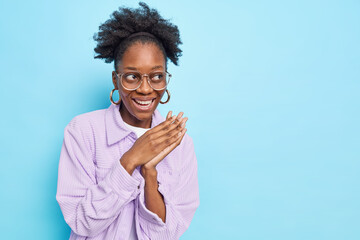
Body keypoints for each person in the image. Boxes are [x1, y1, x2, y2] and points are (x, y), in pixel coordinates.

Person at [55, 2, 200, 240]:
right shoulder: (82, 131)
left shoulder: (181, 145)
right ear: (116, 79)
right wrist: (131, 160)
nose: (145, 89)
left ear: (166, 79)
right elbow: (82, 223)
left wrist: (150, 172)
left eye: (156, 77)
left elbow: (167, 234)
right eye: (132, 76)